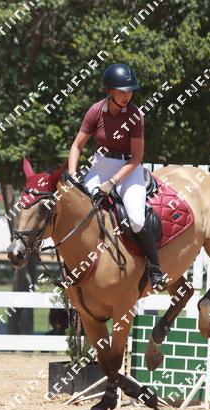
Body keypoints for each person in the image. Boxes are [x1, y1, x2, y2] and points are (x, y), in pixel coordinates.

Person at [67, 63, 166, 290]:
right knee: (80, 210)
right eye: (122, 91)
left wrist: (112, 183)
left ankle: (155, 269)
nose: (127, 95)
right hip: (100, 166)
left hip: (128, 169)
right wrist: (72, 175)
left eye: (130, 91)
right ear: (108, 91)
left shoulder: (135, 115)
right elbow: (76, 146)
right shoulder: (95, 111)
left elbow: (137, 157)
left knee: (137, 220)